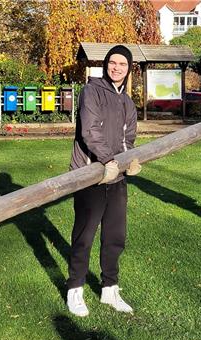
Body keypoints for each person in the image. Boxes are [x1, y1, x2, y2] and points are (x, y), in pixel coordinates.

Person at [66, 45, 142, 317]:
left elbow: (128, 139)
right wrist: (108, 160)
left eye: (122, 64)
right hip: (91, 174)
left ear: (128, 69)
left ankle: (110, 289)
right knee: (84, 235)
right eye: (113, 62)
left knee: (115, 235)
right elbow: (89, 131)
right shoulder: (91, 91)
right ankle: (75, 289)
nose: (117, 68)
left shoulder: (128, 102)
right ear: (106, 64)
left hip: (116, 177)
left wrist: (128, 161)